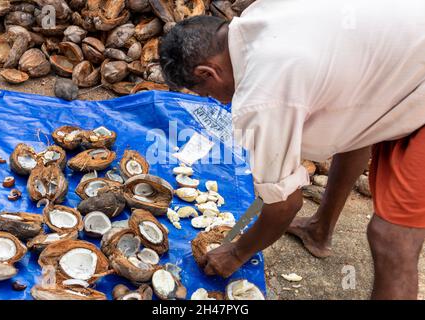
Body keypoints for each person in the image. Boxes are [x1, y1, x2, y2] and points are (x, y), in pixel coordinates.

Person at [158, 0, 425, 299]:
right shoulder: (263, 12)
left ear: (208, 72)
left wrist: (236, 252)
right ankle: (319, 229)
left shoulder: (263, 96)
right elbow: (354, 132)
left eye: (206, 93)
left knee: (393, 239)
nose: (218, 102)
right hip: (408, 50)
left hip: (418, 78)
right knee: (355, 126)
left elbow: (285, 205)